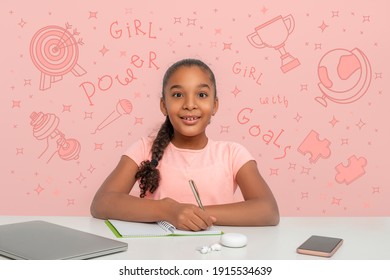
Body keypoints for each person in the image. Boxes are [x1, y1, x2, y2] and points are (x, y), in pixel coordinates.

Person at [90, 58, 279, 231]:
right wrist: (168, 210)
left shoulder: (233, 154)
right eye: (178, 94)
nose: (190, 104)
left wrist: (193, 213)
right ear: (164, 105)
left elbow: (268, 210)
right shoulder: (143, 149)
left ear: (215, 105)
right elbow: (101, 203)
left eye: (202, 95)